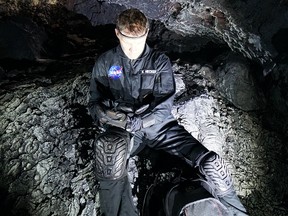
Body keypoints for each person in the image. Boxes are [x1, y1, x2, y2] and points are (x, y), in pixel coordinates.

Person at [88, 8, 248, 216]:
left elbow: (164, 106)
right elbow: (94, 102)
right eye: (128, 42)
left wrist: (141, 122)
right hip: (123, 127)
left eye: (138, 42)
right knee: (110, 153)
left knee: (213, 165)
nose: (133, 49)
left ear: (146, 34)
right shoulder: (105, 62)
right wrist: (102, 115)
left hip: (158, 127)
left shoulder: (159, 62)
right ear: (117, 33)